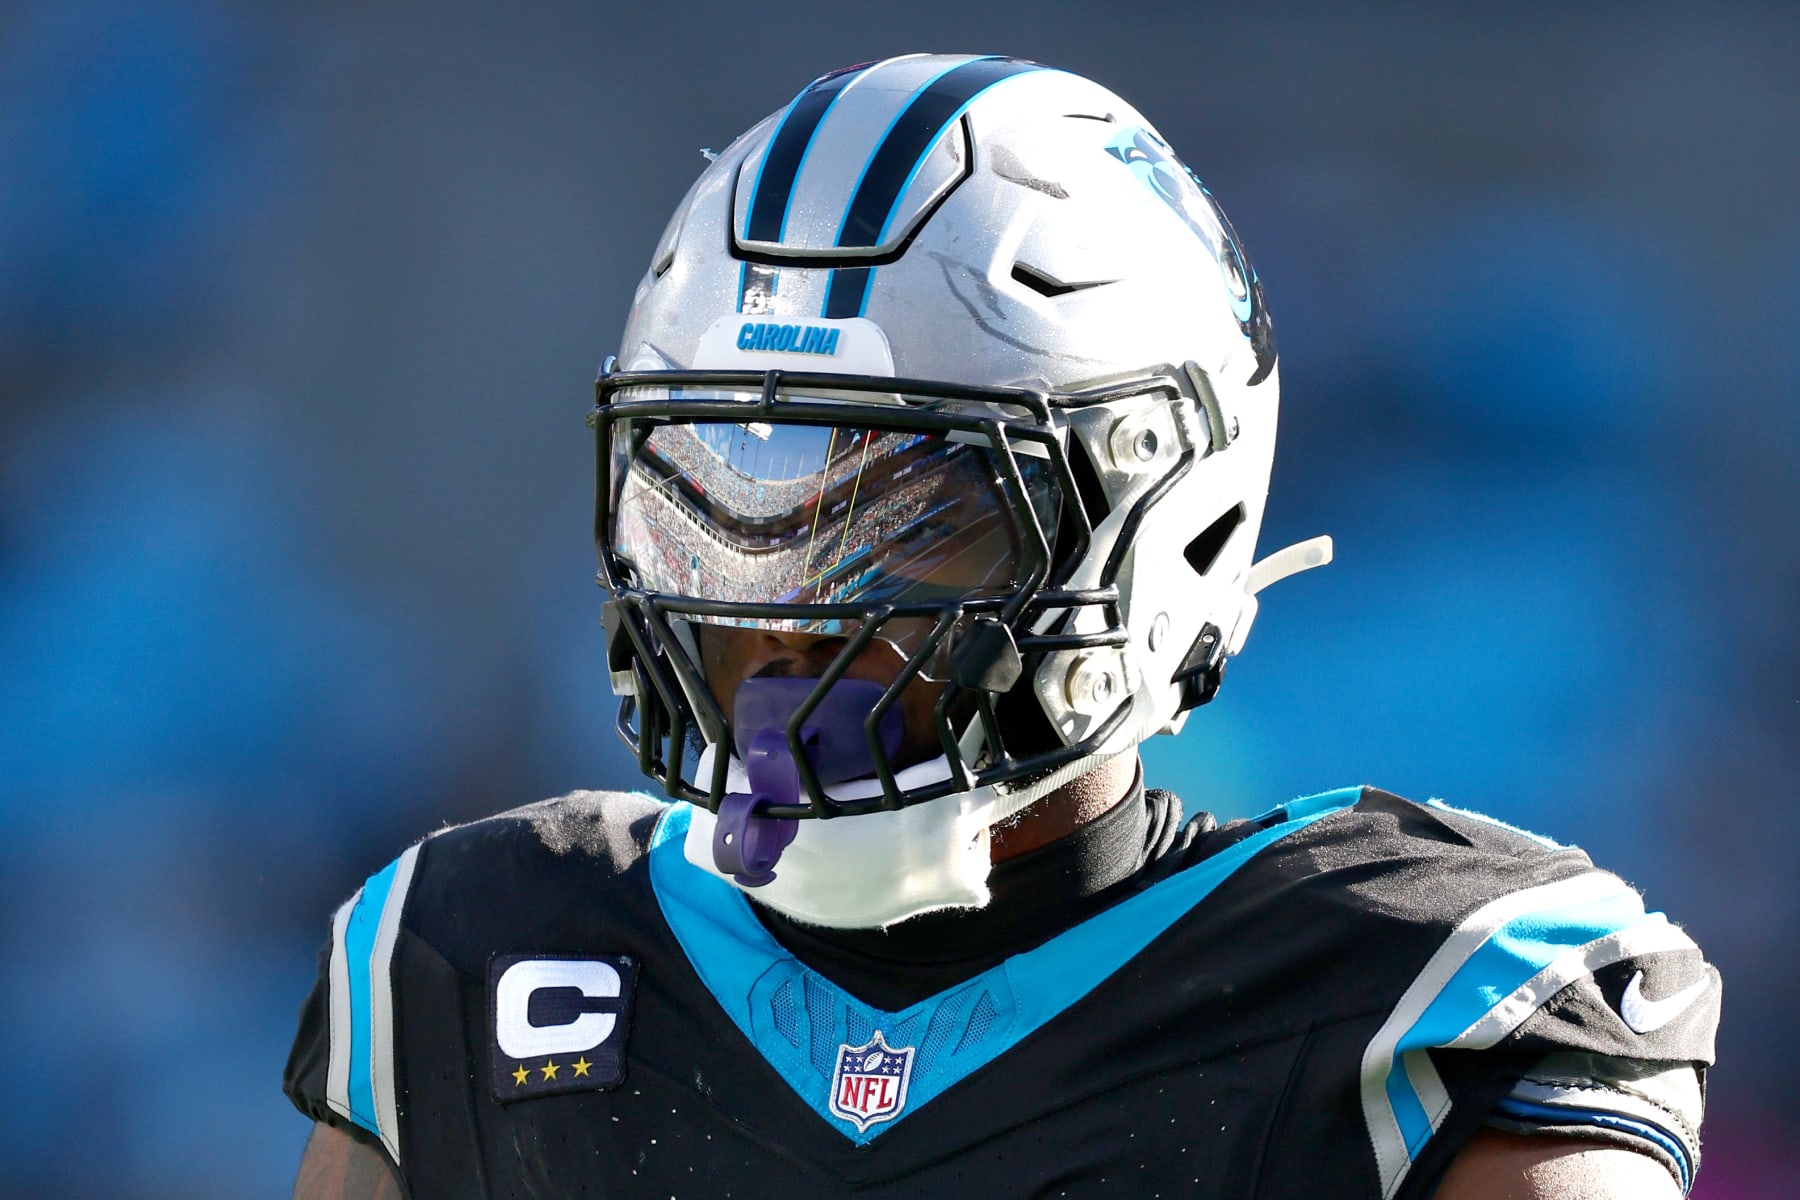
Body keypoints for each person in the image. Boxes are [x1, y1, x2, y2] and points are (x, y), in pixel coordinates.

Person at [285, 55, 1717, 1199]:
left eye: (907, 524)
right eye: (720, 500)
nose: (786, 617)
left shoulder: (1419, 995)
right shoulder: (485, 957)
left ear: (1172, 522)